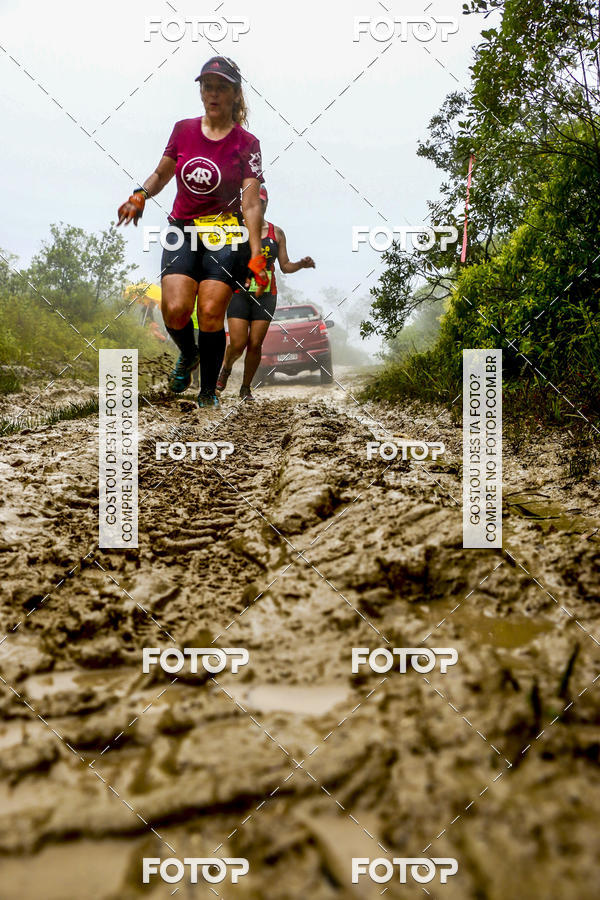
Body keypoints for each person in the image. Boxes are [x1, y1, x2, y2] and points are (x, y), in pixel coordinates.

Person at [117, 56, 269, 408]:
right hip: (181, 229)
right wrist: (139, 195)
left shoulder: (247, 143)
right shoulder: (183, 130)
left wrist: (257, 250)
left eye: (222, 87)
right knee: (174, 309)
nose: (213, 94)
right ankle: (189, 352)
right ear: (200, 91)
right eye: (207, 86)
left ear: (235, 94)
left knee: (213, 310)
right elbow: (161, 173)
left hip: (226, 233)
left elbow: (250, 203)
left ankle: (207, 394)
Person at [216, 185, 315, 400]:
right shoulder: (235, 229)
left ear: (266, 204)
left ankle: (245, 388)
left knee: (255, 344)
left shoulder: (276, 233)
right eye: (251, 202)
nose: (255, 206)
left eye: (260, 202)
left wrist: (301, 264)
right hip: (238, 292)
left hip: (266, 295)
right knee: (238, 343)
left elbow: (285, 265)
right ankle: (226, 366)